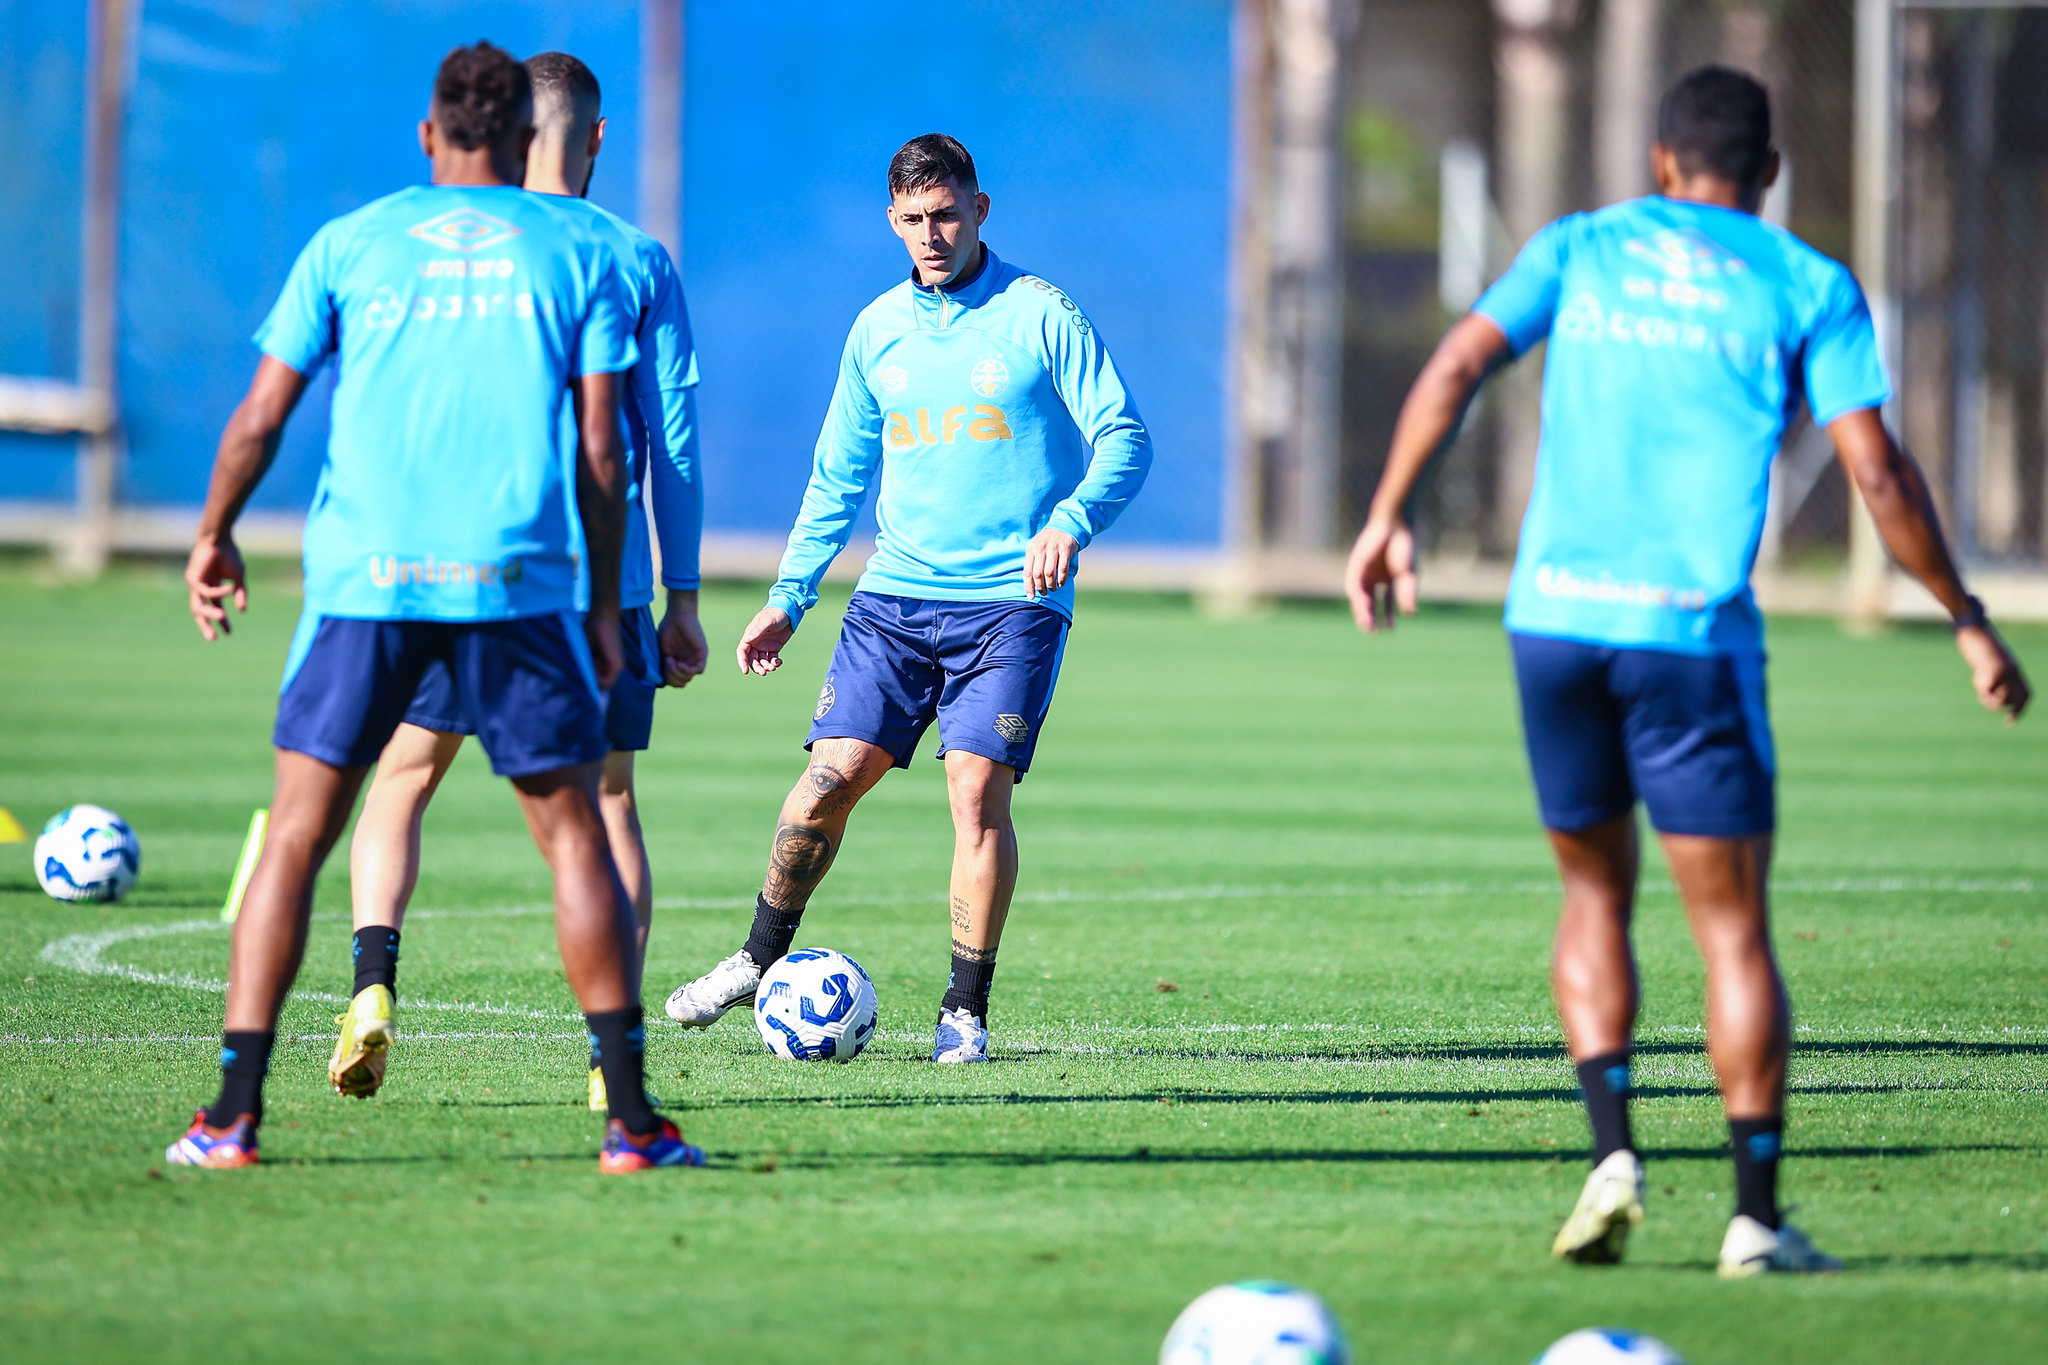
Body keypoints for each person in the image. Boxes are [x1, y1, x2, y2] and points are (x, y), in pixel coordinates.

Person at [1343, 66, 2030, 1275]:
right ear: (1766, 175)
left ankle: (1611, 1154)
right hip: (1689, 637)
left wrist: (1386, 515)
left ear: (1662, 161)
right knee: (1729, 932)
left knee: (1591, 897)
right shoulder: (1805, 282)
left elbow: (1453, 367)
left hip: (1551, 622)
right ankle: (1755, 1222)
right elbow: (1876, 473)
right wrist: (1962, 613)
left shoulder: (1579, 246)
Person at [169, 41, 703, 1173]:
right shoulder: (588, 253)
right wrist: (611, 604)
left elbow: (262, 417)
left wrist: (213, 533)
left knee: (298, 839)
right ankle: (630, 1126)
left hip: (366, 583)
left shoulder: (350, 243)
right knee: (576, 840)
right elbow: (607, 452)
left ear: (427, 135)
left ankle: (228, 1120)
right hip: (518, 586)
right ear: (524, 143)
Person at [661, 134, 1152, 1063]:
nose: (933, 233)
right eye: (915, 219)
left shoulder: (1041, 314)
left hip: (1012, 604)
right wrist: (787, 595)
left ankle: (963, 1010)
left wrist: (1072, 521)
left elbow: (1125, 436)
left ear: (981, 209)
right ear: (893, 220)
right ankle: (759, 958)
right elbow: (836, 476)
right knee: (823, 787)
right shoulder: (876, 328)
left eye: (948, 214)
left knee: (975, 794)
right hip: (893, 600)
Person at [330, 50, 707, 1116]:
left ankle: (371, 990)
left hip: (451, 567)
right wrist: (679, 594)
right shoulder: (628, 256)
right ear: (594, 139)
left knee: (401, 781)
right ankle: (610, 1055)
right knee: (610, 808)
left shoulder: (450, 252)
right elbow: (664, 439)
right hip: (598, 583)